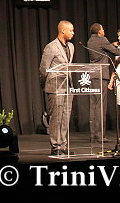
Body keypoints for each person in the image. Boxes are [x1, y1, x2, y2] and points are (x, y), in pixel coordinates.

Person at [86, 23, 120, 143]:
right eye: (103, 29)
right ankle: (100, 136)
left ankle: (93, 135)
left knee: (94, 105)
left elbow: (103, 49)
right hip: (100, 75)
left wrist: (110, 45)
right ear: (99, 32)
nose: (104, 31)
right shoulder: (102, 39)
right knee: (101, 106)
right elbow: (117, 52)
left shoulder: (90, 41)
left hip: (92, 75)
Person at [39, 20, 75, 155]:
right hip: (55, 86)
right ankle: (55, 146)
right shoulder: (51, 47)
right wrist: (44, 85)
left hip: (68, 86)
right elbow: (43, 69)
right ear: (63, 31)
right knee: (57, 117)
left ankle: (63, 145)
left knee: (65, 117)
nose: (73, 33)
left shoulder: (71, 46)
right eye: (71, 30)